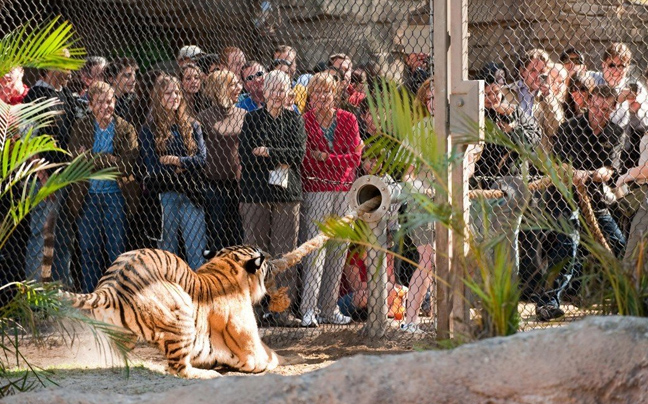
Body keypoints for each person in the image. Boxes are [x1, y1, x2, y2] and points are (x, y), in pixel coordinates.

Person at [539, 85, 626, 321]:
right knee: (568, 242)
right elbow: (557, 165)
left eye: (606, 109)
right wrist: (577, 173)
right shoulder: (569, 128)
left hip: (595, 200)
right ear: (589, 103)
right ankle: (549, 301)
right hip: (564, 197)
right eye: (596, 106)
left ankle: (612, 298)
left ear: (613, 109)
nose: (599, 112)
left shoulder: (617, 133)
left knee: (618, 243)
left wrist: (593, 174)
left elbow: (610, 169)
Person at [238, 70, 306, 327]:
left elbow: (298, 154)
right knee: (255, 254)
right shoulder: (252, 119)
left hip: (287, 196)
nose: (278, 95)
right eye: (273, 89)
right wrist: (280, 155)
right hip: (256, 194)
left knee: (285, 254)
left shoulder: (294, 120)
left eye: (282, 90)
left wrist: (267, 151)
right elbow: (246, 156)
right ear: (264, 92)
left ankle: (282, 310)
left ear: (288, 93)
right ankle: (252, 312)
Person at [299, 72, 363, 327]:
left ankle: (329, 308)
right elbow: (306, 160)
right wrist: (338, 159)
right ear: (310, 96)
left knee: (338, 251)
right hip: (317, 191)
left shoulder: (348, 119)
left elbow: (355, 158)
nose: (322, 97)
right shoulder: (304, 121)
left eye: (327, 92)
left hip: (345, 191)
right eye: (317, 92)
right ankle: (309, 309)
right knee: (316, 251)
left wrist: (326, 158)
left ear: (335, 93)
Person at [67, 82, 139, 292]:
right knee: (89, 251)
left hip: (116, 196)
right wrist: (109, 158)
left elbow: (126, 165)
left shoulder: (126, 128)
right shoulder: (81, 126)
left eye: (109, 101)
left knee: (116, 251)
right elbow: (74, 159)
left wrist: (89, 157)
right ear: (90, 104)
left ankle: (115, 296)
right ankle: (92, 296)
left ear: (115, 102)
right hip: (87, 197)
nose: (105, 106)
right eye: (99, 102)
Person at [23, 53, 80, 286]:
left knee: (64, 236)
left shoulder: (65, 94)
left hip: (67, 176)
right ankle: (34, 293)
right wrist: (42, 174)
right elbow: (27, 139)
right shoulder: (35, 96)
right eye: (66, 64)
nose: (71, 70)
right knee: (41, 236)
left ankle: (61, 288)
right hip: (44, 178)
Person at [139, 75, 207, 270]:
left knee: (196, 252)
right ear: (159, 97)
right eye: (168, 93)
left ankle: (197, 296)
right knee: (168, 256)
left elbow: (202, 160)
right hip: (164, 196)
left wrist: (177, 161)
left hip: (191, 194)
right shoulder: (149, 130)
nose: (174, 96)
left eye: (177, 92)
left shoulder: (193, 125)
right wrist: (186, 166)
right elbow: (153, 167)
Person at [197, 70, 245, 253]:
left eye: (237, 84)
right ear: (220, 89)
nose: (238, 88)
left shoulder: (243, 114)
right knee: (217, 237)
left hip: (238, 185)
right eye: (232, 84)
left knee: (238, 236)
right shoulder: (204, 117)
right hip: (213, 186)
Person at [105, 57, 139, 124]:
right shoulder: (102, 100)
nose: (133, 79)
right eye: (127, 75)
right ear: (111, 79)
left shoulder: (137, 102)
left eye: (134, 75)